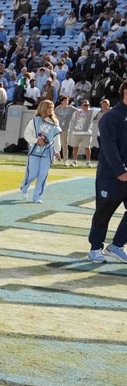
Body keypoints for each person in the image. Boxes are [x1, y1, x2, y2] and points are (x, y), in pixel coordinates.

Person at [87, 80, 127, 263]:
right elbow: (109, 146)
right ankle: (95, 248)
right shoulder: (111, 117)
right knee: (104, 212)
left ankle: (117, 245)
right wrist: (119, 169)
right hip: (111, 176)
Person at [19, 100, 62, 204]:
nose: (51, 110)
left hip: (48, 151)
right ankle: (24, 187)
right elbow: (27, 135)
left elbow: (56, 138)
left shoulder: (55, 122)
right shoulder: (35, 120)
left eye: (52, 108)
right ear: (43, 109)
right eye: (49, 108)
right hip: (35, 150)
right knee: (32, 174)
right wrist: (36, 141)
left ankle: (37, 196)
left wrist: (57, 151)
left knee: (43, 174)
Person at [69, 99, 96, 167]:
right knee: (75, 147)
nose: (87, 106)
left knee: (87, 147)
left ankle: (88, 162)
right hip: (77, 131)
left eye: (88, 105)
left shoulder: (91, 112)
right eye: (85, 105)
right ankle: (74, 161)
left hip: (86, 132)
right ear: (82, 106)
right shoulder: (77, 112)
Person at [54, 95, 77, 165]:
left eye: (67, 101)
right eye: (65, 101)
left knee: (64, 145)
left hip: (65, 129)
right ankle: (53, 158)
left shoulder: (71, 108)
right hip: (57, 128)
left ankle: (65, 160)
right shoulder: (57, 109)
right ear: (61, 102)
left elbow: (79, 111)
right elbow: (53, 116)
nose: (67, 102)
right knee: (55, 144)